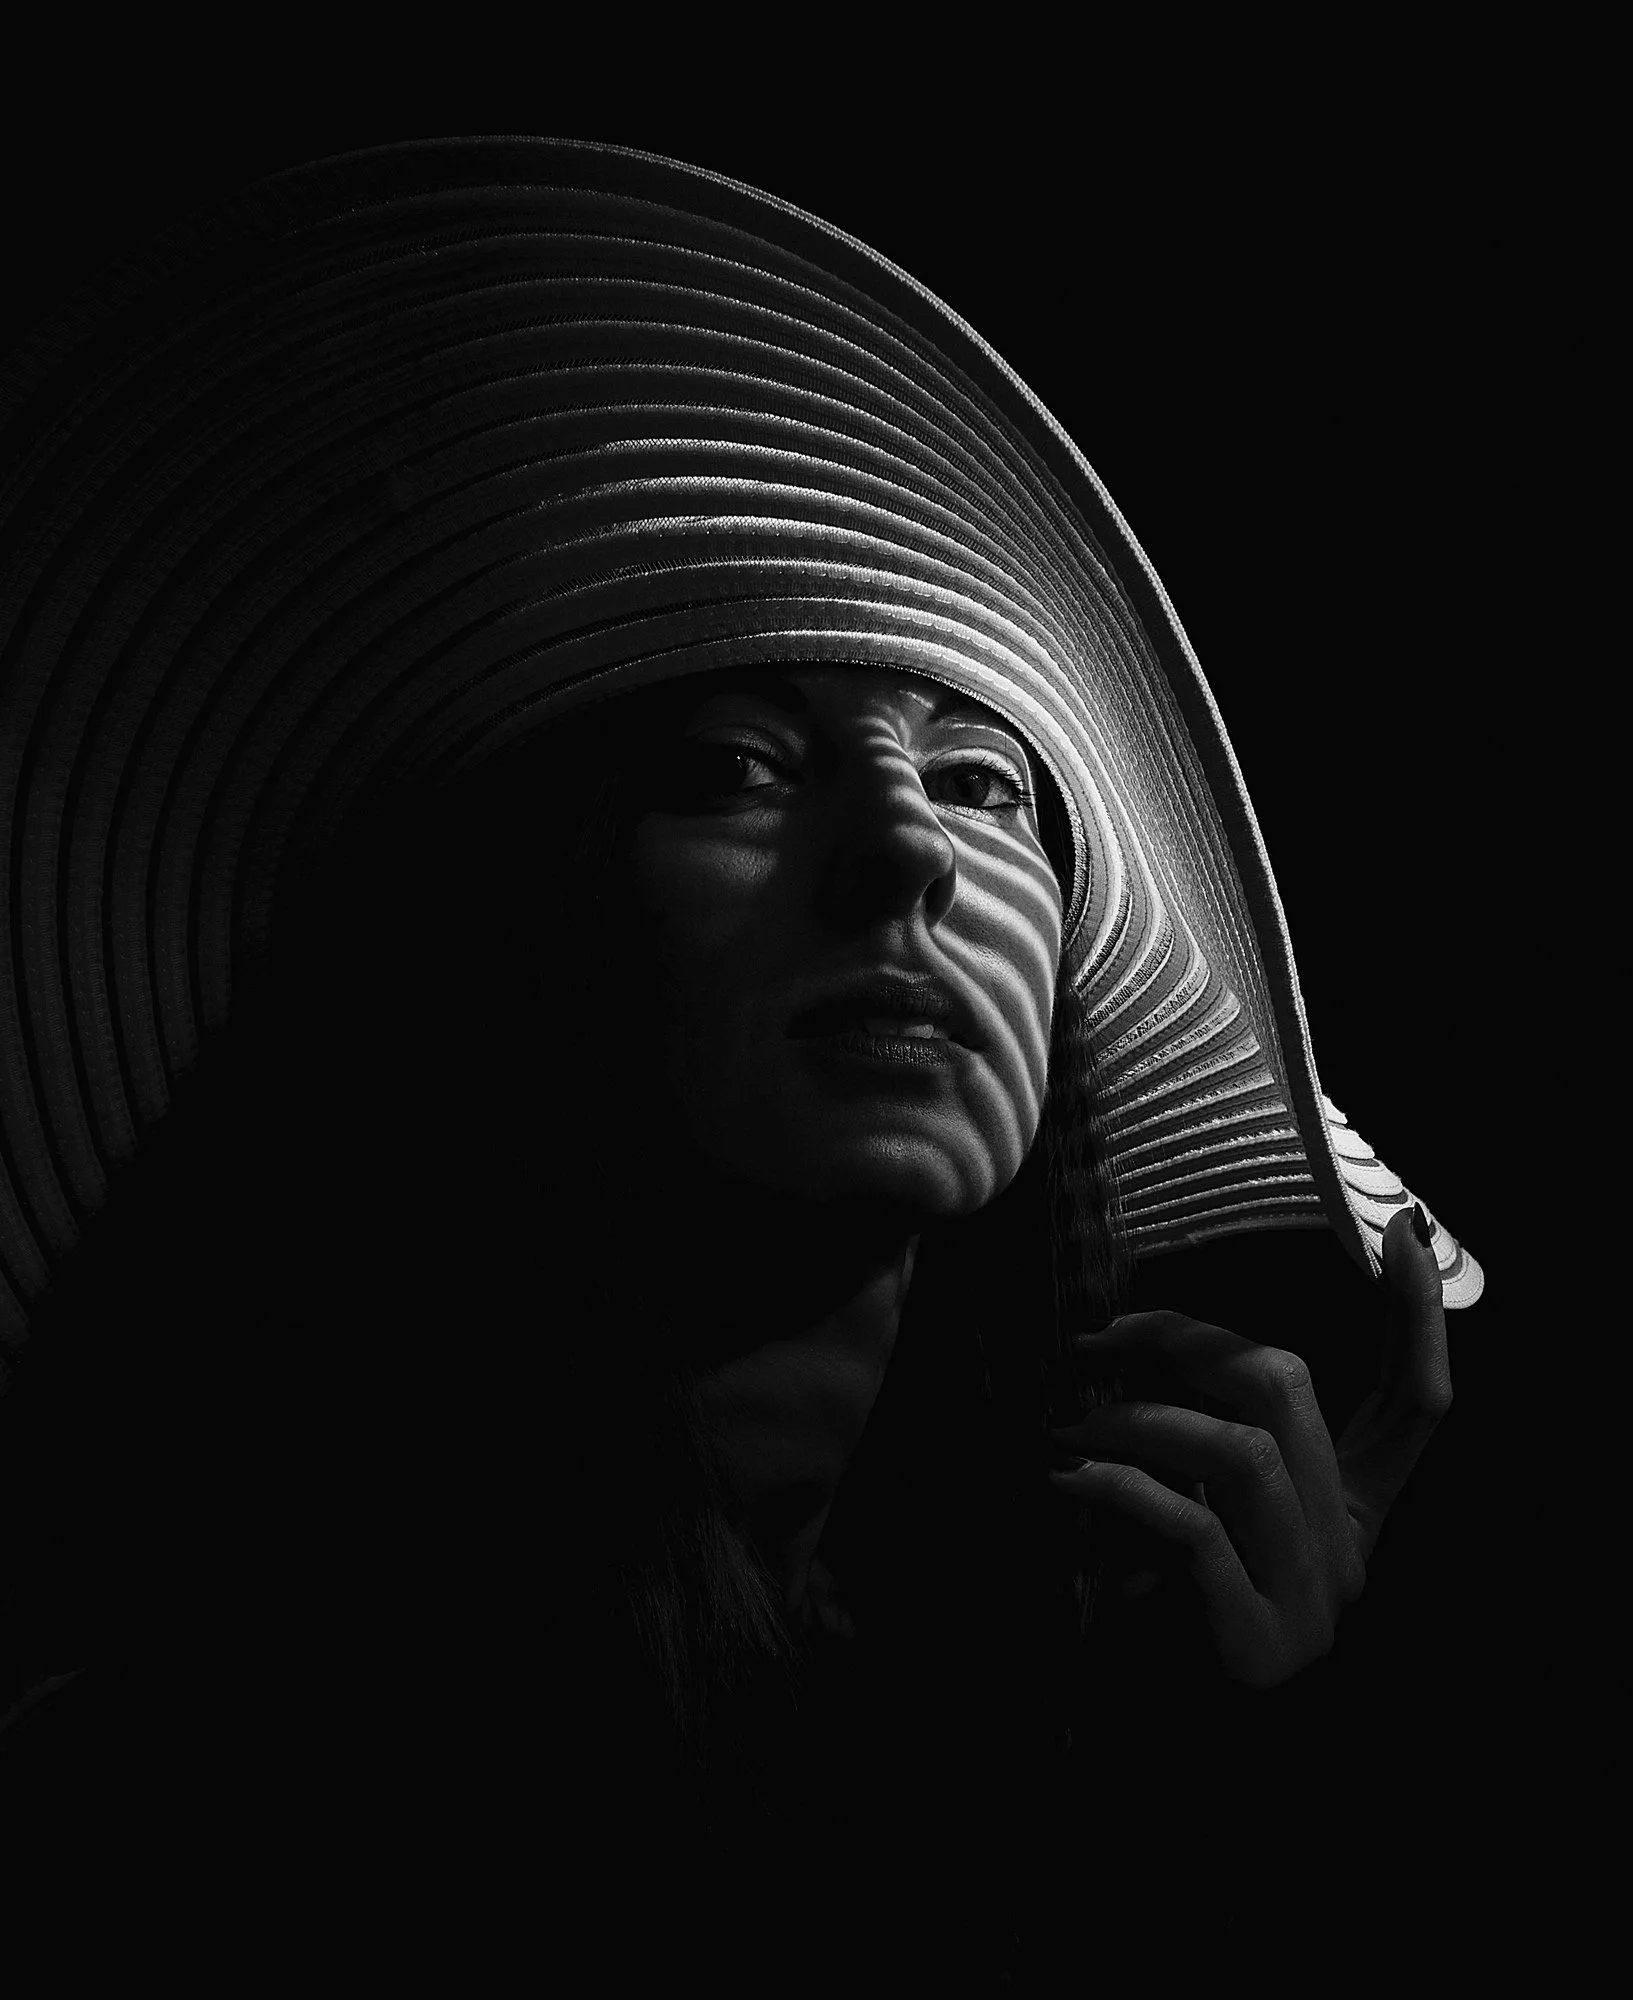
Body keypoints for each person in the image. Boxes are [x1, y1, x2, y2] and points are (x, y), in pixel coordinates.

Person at [0, 138, 1481, 1986]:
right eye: (730, 769)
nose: (910, 852)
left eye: (979, 783)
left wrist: (1192, 1788)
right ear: (521, 936)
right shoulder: (187, 1779)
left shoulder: (1015, 1670)